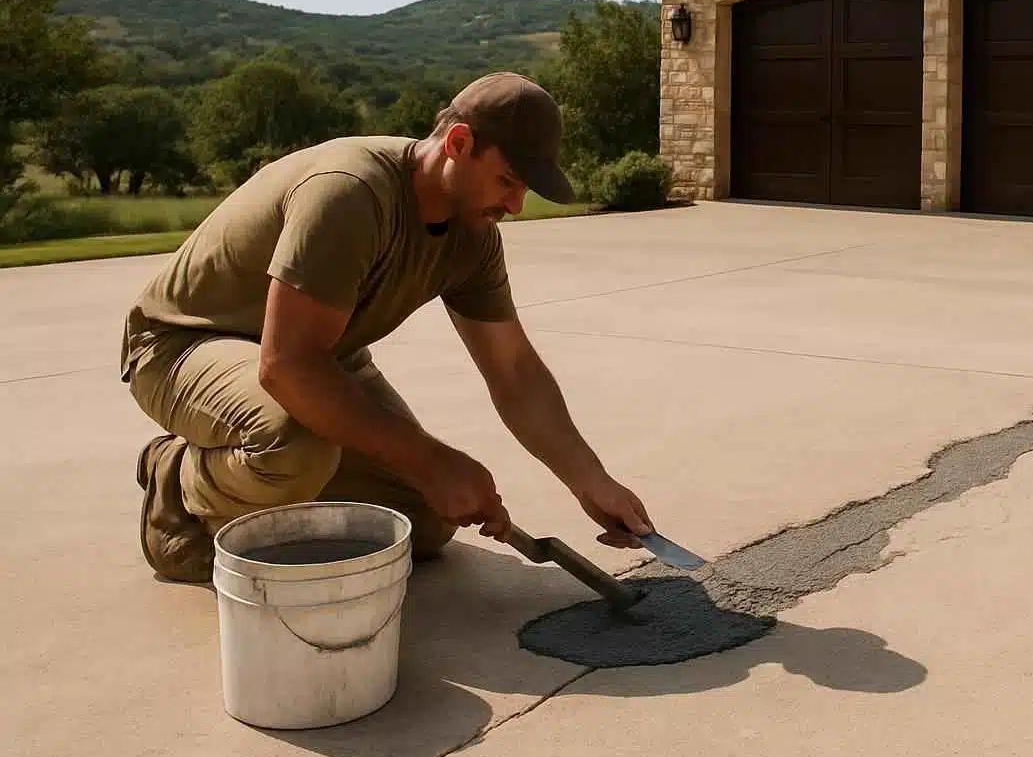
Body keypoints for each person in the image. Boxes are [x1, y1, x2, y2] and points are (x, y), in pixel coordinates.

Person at [120, 71, 654, 583]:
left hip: (320, 357)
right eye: (507, 180)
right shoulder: (350, 193)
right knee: (294, 444)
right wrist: (430, 458)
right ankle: (176, 478)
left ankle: (271, 485)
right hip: (185, 345)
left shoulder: (472, 236)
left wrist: (591, 481)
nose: (515, 204)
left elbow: (513, 370)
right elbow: (286, 366)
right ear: (459, 143)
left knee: (425, 520)